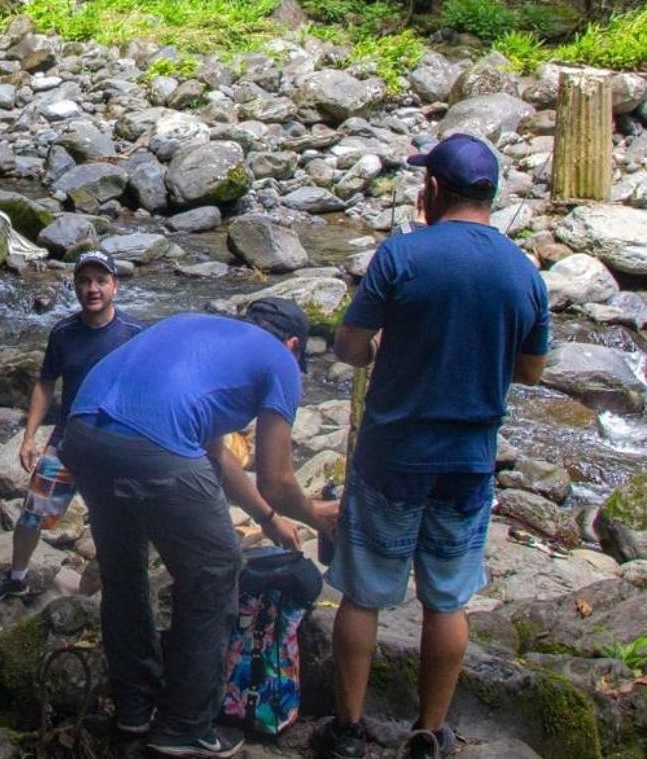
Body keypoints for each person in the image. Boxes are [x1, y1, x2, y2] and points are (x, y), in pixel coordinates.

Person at [314, 133, 550, 759]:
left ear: (434, 191)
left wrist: (372, 351)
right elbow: (531, 371)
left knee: (364, 591)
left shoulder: (401, 257)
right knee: (447, 599)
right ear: (491, 196)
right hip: (469, 462)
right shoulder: (523, 272)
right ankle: (430, 731)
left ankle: (347, 730)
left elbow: (348, 343)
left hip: (392, 454)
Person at [60, 301, 335, 759]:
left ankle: (134, 706)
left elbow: (214, 454)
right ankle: (185, 725)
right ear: (293, 345)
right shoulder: (279, 361)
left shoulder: (202, 335)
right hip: (151, 444)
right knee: (214, 572)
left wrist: (268, 519)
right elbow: (277, 479)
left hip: (84, 433)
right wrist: (316, 515)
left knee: (124, 574)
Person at [0, 250, 142, 602]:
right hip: (68, 441)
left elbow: (150, 388)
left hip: (116, 444)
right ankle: (17, 575)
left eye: (100, 281)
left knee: (118, 519)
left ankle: (121, 586)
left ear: (115, 286)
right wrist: (30, 437)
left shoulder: (134, 334)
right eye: (84, 281)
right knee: (33, 512)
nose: (92, 288)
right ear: (75, 287)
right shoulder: (64, 333)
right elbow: (45, 383)